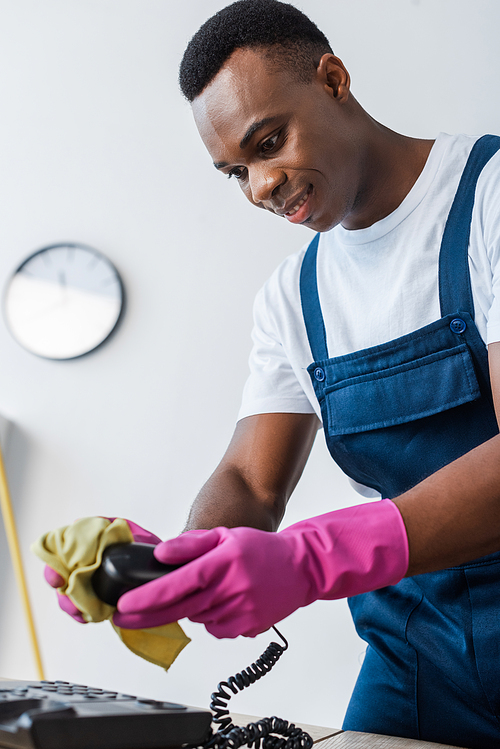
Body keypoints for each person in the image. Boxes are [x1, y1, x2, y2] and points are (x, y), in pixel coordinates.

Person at [47, 2, 500, 746]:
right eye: (236, 171)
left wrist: (313, 558)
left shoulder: (486, 197)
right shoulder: (295, 297)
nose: (260, 185)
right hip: (417, 653)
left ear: (333, 78)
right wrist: (176, 564)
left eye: (268, 142)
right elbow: (252, 484)